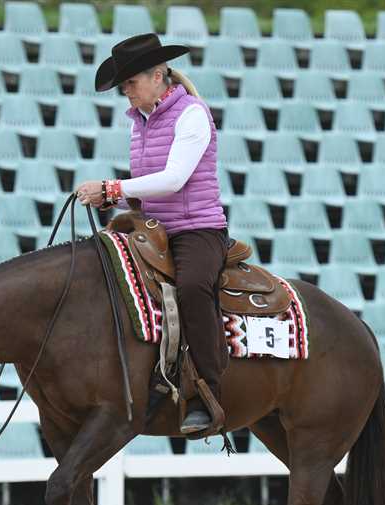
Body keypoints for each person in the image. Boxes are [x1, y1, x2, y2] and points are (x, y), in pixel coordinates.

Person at [74, 33, 230, 435]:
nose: (126, 91)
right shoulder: (139, 123)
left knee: (193, 287)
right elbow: (147, 189)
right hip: (154, 229)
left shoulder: (192, 114)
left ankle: (208, 391)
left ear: (157, 76)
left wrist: (112, 189)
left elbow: (174, 179)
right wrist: (112, 200)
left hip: (197, 230)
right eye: (123, 85)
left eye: (130, 82)